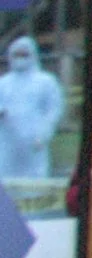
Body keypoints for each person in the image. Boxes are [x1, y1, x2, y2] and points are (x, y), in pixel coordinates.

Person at [0, 36, 63, 180]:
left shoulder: (45, 81)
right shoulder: (3, 83)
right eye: (16, 54)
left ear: (33, 55)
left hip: (34, 141)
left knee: (34, 181)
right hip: (7, 142)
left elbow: (53, 110)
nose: (20, 58)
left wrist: (44, 134)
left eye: (24, 54)